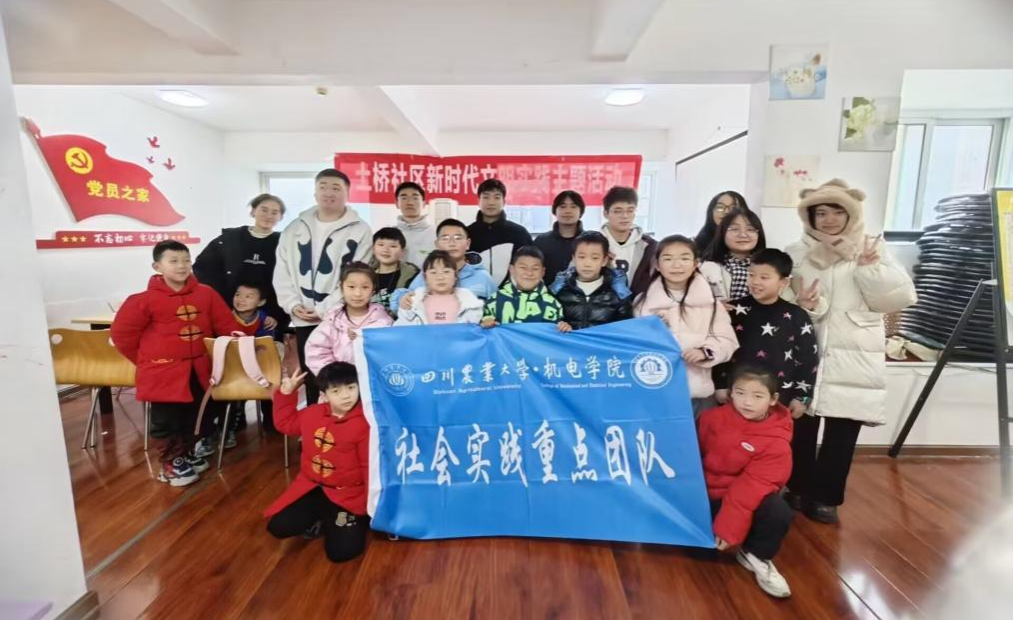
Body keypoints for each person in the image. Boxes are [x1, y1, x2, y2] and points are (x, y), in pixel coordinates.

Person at [784, 178, 916, 524]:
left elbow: (897, 299)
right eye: (821, 213)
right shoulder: (795, 252)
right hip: (807, 348)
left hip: (854, 349)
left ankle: (826, 497)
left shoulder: (872, 248)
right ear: (809, 216)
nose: (828, 219)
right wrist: (802, 305)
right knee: (800, 424)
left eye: (837, 211)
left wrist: (870, 268)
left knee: (843, 430)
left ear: (851, 213)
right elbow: (782, 301)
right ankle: (797, 487)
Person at [110, 241, 239, 485]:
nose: (182, 266)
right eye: (174, 261)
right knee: (167, 418)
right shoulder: (142, 300)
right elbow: (122, 335)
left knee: (198, 414)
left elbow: (225, 325)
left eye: (186, 260)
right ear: (157, 266)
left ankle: (186, 453)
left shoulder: (206, 293)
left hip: (200, 368)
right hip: (162, 372)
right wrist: (147, 361)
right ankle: (170, 463)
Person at [274, 168, 372, 405]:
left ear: (347, 193)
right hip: (302, 316)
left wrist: (324, 309)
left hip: (340, 317)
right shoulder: (294, 228)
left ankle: (347, 425)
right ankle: (315, 424)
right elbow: (282, 270)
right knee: (312, 377)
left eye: (336, 188)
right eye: (323, 187)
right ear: (315, 192)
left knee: (345, 376)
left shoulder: (360, 230)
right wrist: (292, 304)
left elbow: (358, 276)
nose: (329, 192)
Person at [698, 363, 795, 599]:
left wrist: (727, 528)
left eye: (757, 396)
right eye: (740, 393)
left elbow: (750, 488)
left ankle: (756, 555)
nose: (747, 402)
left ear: (773, 399)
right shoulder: (711, 418)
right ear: (730, 393)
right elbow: (689, 455)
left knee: (778, 510)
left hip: (735, 498)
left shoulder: (777, 441)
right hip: (701, 492)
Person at [265, 363, 371, 563]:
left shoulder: (365, 422)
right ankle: (323, 518)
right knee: (278, 527)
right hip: (312, 488)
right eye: (336, 391)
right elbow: (285, 424)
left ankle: (343, 520)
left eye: (351, 388)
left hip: (348, 495)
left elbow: (369, 467)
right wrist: (286, 394)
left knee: (342, 552)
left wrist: (370, 504)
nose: (346, 396)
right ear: (324, 394)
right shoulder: (312, 413)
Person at [633, 235, 737, 415]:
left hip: (694, 391)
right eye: (668, 259)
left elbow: (727, 340)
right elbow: (633, 343)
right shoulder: (642, 302)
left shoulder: (711, 304)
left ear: (696, 263)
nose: (676, 265)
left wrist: (705, 352)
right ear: (657, 265)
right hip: (654, 388)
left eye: (684, 258)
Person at [713, 249, 818, 420]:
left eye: (764, 277)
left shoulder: (796, 315)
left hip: (780, 398)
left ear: (784, 282)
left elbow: (808, 359)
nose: (755, 282)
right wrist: (720, 385)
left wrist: (802, 396)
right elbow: (720, 349)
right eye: (751, 275)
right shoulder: (732, 309)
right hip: (736, 396)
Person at [192, 193, 289, 333]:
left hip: (269, 315)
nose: (268, 216)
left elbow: (291, 280)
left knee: (265, 345)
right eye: (264, 210)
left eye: (274, 212)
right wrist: (222, 304)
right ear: (253, 211)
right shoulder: (231, 238)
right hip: (228, 310)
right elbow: (204, 268)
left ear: (281, 217)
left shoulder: (284, 242)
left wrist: (277, 313)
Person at [390, 218, 497, 314]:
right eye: (445, 238)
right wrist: (402, 299)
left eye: (458, 238)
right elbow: (404, 302)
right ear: (437, 245)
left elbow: (498, 309)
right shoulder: (428, 274)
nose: (452, 243)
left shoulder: (483, 278)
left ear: (468, 243)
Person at [305, 263, 392, 374]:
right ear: (342, 289)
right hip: (341, 382)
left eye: (365, 287)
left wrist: (363, 338)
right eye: (351, 287)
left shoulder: (384, 321)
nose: (357, 293)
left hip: (375, 381)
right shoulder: (332, 321)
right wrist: (336, 376)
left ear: (373, 291)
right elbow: (316, 352)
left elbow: (390, 352)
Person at [550, 231, 632, 330]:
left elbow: (625, 328)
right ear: (574, 259)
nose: (587, 264)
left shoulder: (618, 292)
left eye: (594, 258)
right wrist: (560, 325)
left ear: (604, 261)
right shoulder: (560, 290)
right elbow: (547, 321)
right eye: (582, 257)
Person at [466, 178, 532, 285]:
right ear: (478, 201)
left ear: (504, 202)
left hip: (511, 293)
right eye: (486, 197)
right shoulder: (467, 233)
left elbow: (530, 264)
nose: (491, 202)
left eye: (496, 197)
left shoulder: (519, 233)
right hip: (475, 292)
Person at [480, 246, 565, 328]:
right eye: (523, 267)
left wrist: (563, 327)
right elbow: (483, 328)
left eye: (535, 268)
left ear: (543, 272)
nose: (529, 273)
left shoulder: (553, 304)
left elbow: (555, 334)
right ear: (511, 269)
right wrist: (485, 323)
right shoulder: (495, 300)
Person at [395, 250, 485, 325]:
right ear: (425, 277)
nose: (440, 277)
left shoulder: (468, 300)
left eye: (446, 271)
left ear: (455, 275)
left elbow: (476, 329)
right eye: (433, 272)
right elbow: (401, 329)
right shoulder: (413, 300)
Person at [600, 186, 657, 296]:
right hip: (601, 304)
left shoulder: (649, 246)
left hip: (638, 304)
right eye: (618, 211)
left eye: (630, 210)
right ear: (606, 214)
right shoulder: (593, 244)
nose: (625, 216)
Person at [700, 208, 767, 301]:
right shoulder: (708, 267)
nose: (743, 235)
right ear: (722, 233)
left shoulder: (771, 266)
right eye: (734, 229)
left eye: (750, 229)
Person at [533, 190, 585, 285]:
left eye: (573, 207)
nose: (568, 211)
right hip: (546, 292)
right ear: (554, 211)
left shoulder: (590, 241)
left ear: (581, 212)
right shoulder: (541, 241)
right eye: (562, 206)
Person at [369, 227, 419, 316]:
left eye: (393, 246)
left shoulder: (412, 274)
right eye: (381, 245)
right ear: (373, 249)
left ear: (402, 251)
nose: (386, 250)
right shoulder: (365, 275)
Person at [393, 181, 435, 267]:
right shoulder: (389, 234)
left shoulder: (436, 234)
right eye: (404, 198)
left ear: (424, 203)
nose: (410, 202)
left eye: (415, 198)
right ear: (397, 203)